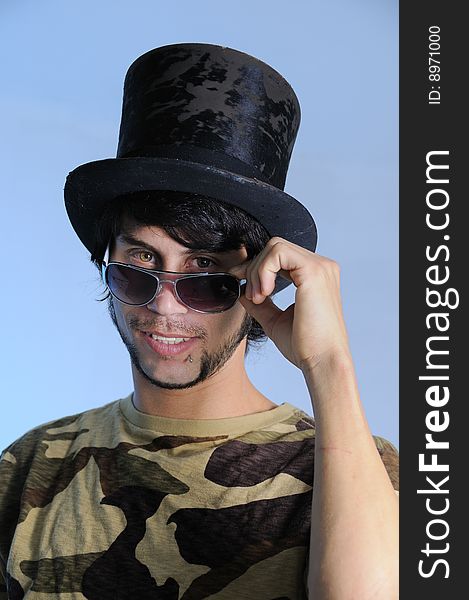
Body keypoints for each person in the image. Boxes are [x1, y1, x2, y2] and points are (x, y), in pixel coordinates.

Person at [0, 43, 398, 599]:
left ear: (261, 279)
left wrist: (331, 365)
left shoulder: (363, 472)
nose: (165, 307)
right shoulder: (27, 467)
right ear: (104, 263)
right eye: (140, 265)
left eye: (205, 272)